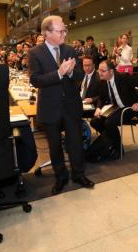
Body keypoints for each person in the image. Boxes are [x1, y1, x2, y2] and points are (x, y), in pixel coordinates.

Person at [28, 15, 94, 195]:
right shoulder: (35, 53)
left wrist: (72, 73)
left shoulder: (70, 50)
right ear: (47, 33)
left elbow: (80, 76)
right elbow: (35, 80)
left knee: (75, 143)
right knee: (55, 145)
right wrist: (58, 73)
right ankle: (61, 177)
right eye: (60, 30)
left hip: (71, 105)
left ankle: (79, 174)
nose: (65, 33)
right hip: (50, 106)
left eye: (65, 30)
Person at [90, 60, 138, 159]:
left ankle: (118, 149)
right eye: (99, 70)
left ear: (111, 71)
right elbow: (101, 97)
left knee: (109, 123)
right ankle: (111, 142)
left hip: (129, 109)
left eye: (103, 71)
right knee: (95, 122)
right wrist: (98, 108)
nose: (99, 73)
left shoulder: (123, 78)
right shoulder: (102, 81)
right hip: (115, 109)